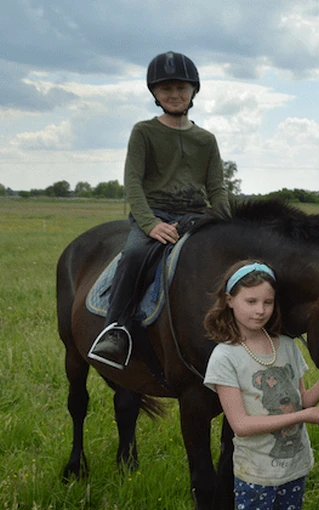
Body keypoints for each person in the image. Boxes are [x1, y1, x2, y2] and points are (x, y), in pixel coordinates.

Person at [203, 261, 319, 510]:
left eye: (268, 302)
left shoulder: (287, 346)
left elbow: (303, 400)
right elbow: (241, 424)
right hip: (256, 474)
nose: (260, 310)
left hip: (295, 467)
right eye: (250, 301)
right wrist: (304, 417)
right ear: (229, 300)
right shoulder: (225, 357)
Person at [88, 50, 230, 369]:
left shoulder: (206, 140)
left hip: (196, 215)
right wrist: (150, 224)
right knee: (136, 255)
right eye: (166, 89)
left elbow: (217, 187)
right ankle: (117, 329)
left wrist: (224, 218)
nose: (175, 94)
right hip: (155, 214)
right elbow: (133, 183)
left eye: (181, 88)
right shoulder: (144, 132)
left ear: (194, 90)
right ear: (154, 93)